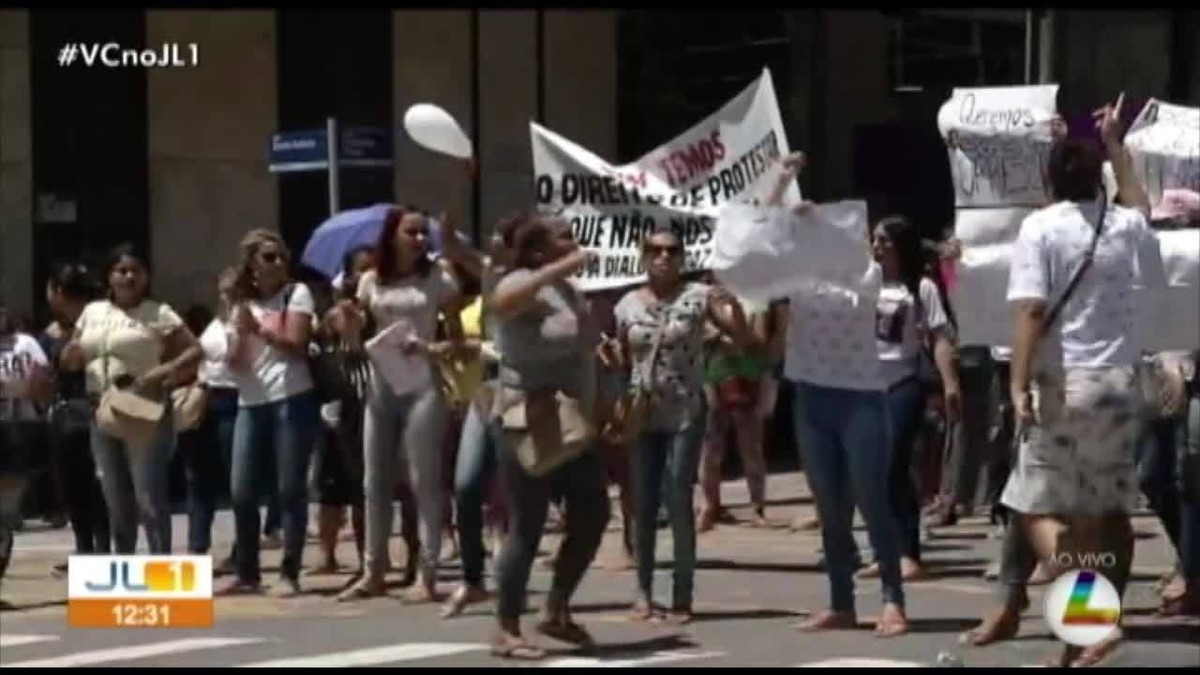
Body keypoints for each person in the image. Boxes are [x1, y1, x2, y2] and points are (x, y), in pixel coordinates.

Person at [1003, 93, 1165, 666]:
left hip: (1064, 383)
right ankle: (1081, 641)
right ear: (1099, 181)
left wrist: (1017, 382)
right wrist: (1117, 146)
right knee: (1099, 519)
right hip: (1121, 385)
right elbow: (1142, 204)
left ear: (1050, 184)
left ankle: (1091, 624)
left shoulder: (1040, 228)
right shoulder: (1125, 224)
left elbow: (1028, 310)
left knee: (1032, 510)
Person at [767, 153, 909, 637]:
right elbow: (757, 247)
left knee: (871, 500)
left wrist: (824, 229)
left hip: (862, 399)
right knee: (829, 507)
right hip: (812, 397)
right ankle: (841, 602)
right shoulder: (798, 277)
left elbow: (859, 261)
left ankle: (892, 599)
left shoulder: (864, 275)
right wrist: (782, 184)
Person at [488, 212, 610, 659]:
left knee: (593, 511)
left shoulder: (568, 289)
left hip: (572, 419)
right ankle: (507, 626)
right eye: (564, 237)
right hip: (530, 419)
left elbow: (576, 344)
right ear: (539, 251)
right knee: (528, 523)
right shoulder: (521, 280)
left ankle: (556, 606)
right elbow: (501, 303)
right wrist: (562, 267)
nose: (574, 242)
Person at [614, 230, 750, 623]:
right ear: (642, 257)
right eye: (655, 251)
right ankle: (643, 592)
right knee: (641, 503)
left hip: (685, 411)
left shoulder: (699, 296)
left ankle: (681, 594)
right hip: (643, 412)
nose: (663, 257)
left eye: (672, 251)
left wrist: (735, 308)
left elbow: (740, 339)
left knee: (677, 495)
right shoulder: (626, 305)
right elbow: (624, 357)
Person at [336, 207, 464, 604]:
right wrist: (349, 323)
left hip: (423, 384)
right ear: (393, 235)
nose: (422, 239)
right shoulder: (371, 280)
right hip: (381, 383)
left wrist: (428, 346)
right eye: (413, 232)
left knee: (422, 479)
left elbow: (458, 341)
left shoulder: (438, 276)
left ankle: (427, 574)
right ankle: (373, 570)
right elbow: (354, 344)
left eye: (425, 233)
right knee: (374, 480)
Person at [61, 243, 201, 555]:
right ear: (109, 277)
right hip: (102, 409)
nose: (128, 277)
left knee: (148, 497)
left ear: (146, 276)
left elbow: (194, 350)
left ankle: (159, 567)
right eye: (121, 271)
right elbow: (73, 357)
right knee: (115, 498)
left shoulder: (158, 312)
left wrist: (162, 371)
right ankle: (124, 568)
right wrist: (70, 355)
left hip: (143, 410)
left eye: (135, 270)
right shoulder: (92, 312)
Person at [857, 215, 960, 582]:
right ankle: (882, 551)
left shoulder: (922, 288)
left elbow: (941, 337)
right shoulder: (862, 284)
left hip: (903, 383)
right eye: (874, 239)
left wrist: (950, 384)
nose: (877, 246)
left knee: (893, 467)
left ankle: (908, 552)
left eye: (884, 240)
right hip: (865, 387)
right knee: (868, 473)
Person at [217, 230, 320, 598]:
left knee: (290, 488)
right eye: (268, 257)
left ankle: (289, 571)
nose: (278, 263)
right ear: (252, 265)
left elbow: (296, 346)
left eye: (281, 256)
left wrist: (260, 328)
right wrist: (240, 334)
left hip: (290, 397)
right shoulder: (240, 305)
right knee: (242, 491)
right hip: (250, 401)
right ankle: (247, 571)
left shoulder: (297, 295)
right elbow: (237, 362)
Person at [42, 263, 110, 576]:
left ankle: (103, 551)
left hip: (95, 411)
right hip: (66, 416)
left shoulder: (98, 322)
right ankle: (85, 550)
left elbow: (71, 363)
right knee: (74, 487)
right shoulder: (54, 331)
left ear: (58, 292)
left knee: (98, 487)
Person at [313, 245, 373, 579]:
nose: (365, 276)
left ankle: (369, 555)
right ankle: (327, 554)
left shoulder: (376, 312)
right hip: (334, 404)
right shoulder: (332, 314)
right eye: (359, 270)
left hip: (367, 402)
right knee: (329, 486)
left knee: (363, 485)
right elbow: (322, 348)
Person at [179, 269, 241, 569]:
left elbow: (236, 357)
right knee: (198, 479)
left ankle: (243, 550)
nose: (226, 296)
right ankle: (197, 548)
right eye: (223, 291)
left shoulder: (246, 320)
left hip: (235, 399)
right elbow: (199, 353)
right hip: (205, 397)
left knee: (237, 480)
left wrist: (238, 324)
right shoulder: (215, 323)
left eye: (232, 291)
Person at [0, 308, 54, 609]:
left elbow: (43, 380)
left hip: (18, 428)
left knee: (6, 512)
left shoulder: (25, 343)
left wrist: (31, 386)